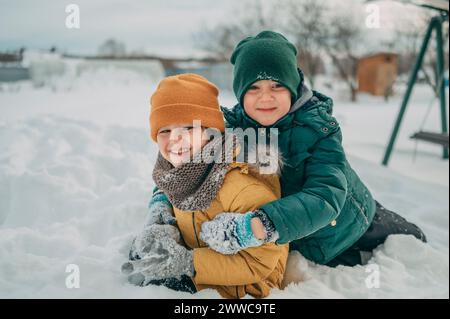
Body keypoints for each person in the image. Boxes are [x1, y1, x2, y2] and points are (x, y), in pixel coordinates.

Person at [143, 31, 427, 268]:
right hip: (291, 224)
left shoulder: (319, 130)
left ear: (293, 87)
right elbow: (188, 163)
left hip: (346, 219)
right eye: (253, 88)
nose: (265, 97)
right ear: (241, 94)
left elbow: (325, 196)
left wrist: (256, 226)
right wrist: (161, 204)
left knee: (412, 238)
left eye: (277, 85)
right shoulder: (229, 128)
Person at [122, 73, 288, 298]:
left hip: (249, 286)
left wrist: (187, 263)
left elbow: (259, 264)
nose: (175, 139)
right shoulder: (178, 173)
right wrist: (163, 224)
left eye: (189, 128)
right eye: (164, 130)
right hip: (204, 268)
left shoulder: (239, 186)